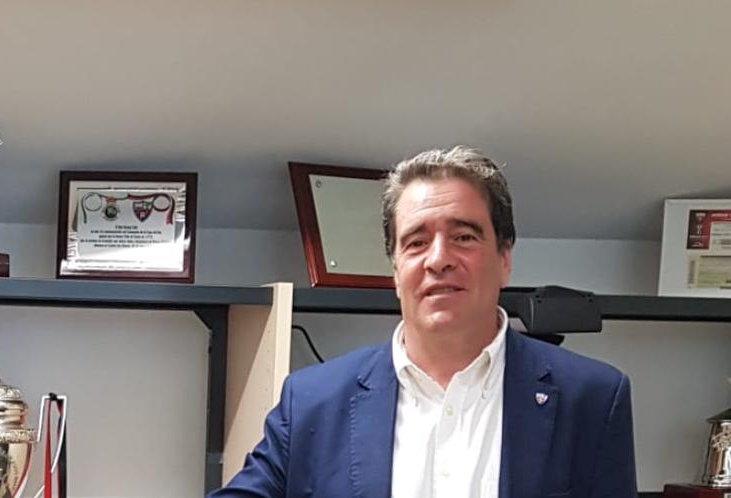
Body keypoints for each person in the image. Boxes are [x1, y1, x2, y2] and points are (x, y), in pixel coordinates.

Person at [212, 146, 636, 498]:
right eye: (416, 242)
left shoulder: (592, 398)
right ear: (396, 270)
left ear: (504, 258)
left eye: (463, 237)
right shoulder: (312, 401)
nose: (438, 259)